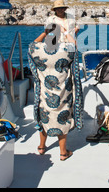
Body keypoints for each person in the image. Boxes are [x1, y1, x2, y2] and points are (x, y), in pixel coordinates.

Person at [28, 23, 83, 161]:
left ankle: (41, 147)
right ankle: (63, 153)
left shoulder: (37, 49)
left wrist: (45, 33)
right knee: (62, 118)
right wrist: (66, 32)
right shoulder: (64, 50)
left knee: (44, 116)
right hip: (63, 91)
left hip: (44, 91)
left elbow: (33, 43)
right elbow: (74, 45)